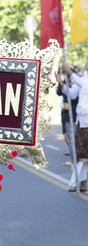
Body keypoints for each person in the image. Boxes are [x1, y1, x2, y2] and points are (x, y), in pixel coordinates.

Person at [59, 61, 88, 192]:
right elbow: (71, 93)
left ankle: (79, 182)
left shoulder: (84, 81)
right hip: (81, 122)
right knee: (81, 153)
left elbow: (84, 85)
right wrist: (61, 82)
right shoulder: (83, 79)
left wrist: (69, 72)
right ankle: (81, 182)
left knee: (83, 154)